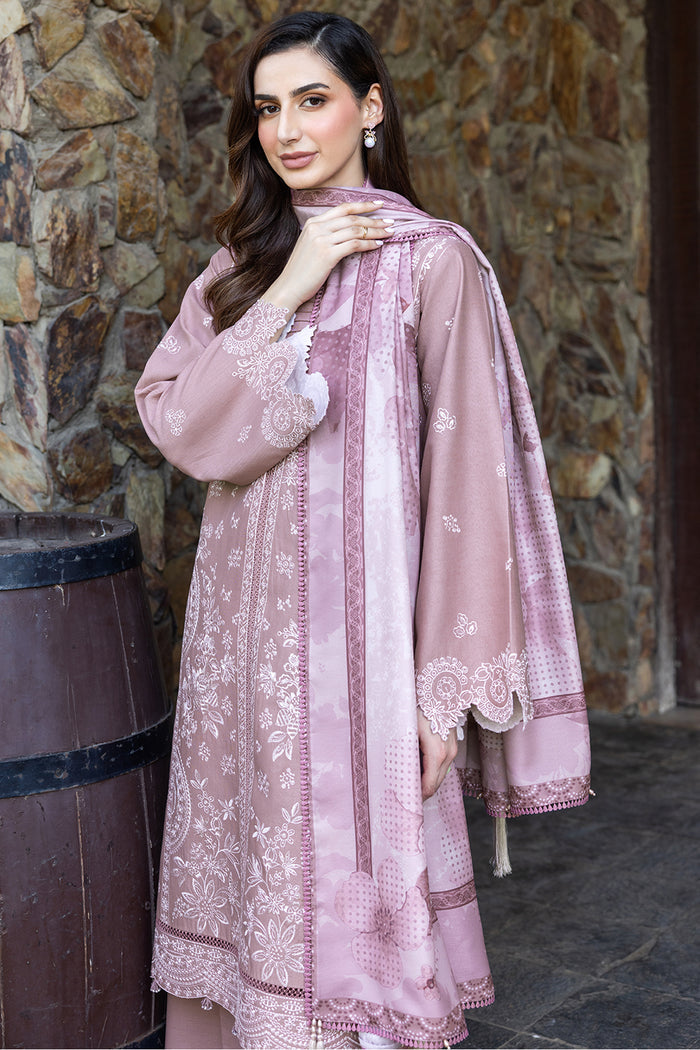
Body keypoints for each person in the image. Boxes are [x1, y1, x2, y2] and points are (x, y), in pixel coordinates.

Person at [135, 11, 591, 1049]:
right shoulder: (244, 262)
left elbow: (470, 484)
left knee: (360, 902)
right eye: (268, 109)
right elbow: (180, 422)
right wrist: (291, 285)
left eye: (314, 101)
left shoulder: (433, 262)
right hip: (243, 653)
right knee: (257, 887)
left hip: (367, 660)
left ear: (369, 107)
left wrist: (443, 689)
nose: (288, 131)